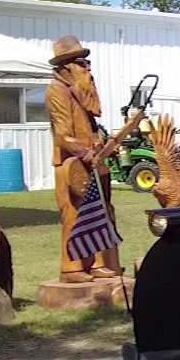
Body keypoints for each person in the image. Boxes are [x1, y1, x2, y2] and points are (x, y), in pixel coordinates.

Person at [47, 36, 122, 284]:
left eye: (88, 62)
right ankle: (72, 268)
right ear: (66, 66)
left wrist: (103, 144)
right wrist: (84, 152)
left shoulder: (81, 93)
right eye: (82, 63)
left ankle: (97, 264)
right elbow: (63, 135)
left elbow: (89, 129)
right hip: (71, 166)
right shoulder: (57, 91)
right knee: (73, 216)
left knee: (97, 215)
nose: (88, 68)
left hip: (91, 164)